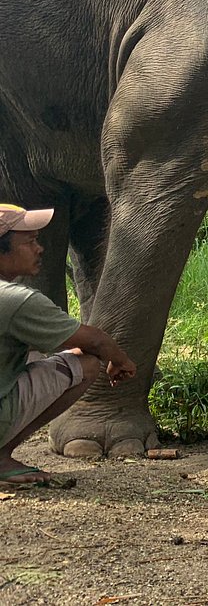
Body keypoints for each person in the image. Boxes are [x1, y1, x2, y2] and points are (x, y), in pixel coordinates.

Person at [1, 204, 136, 486]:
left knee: (36, 347)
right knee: (85, 363)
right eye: (29, 242)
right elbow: (95, 340)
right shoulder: (16, 300)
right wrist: (120, 360)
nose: (39, 249)